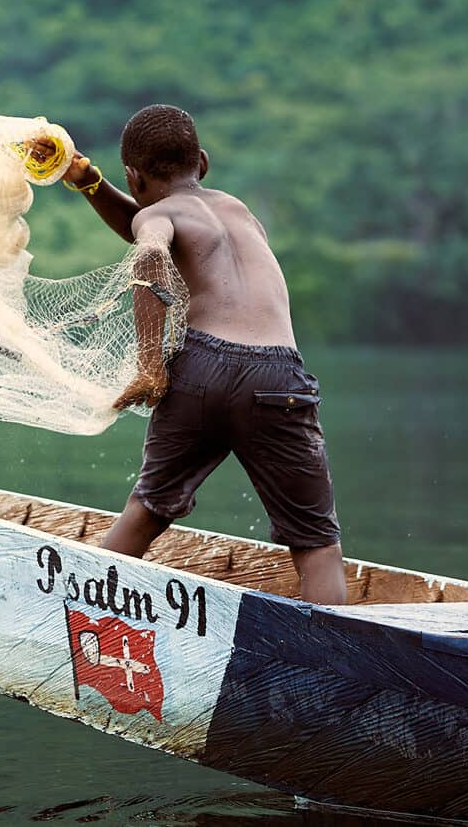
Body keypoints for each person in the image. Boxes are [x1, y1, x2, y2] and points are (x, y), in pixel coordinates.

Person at [62, 104, 346, 605]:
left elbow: (150, 247)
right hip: (278, 376)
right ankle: (338, 661)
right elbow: (154, 223)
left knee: (147, 510)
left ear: (134, 175)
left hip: (201, 367)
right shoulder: (237, 210)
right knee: (317, 545)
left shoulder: (156, 216)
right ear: (204, 163)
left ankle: (87, 619)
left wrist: (150, 364)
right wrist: (91, 185)